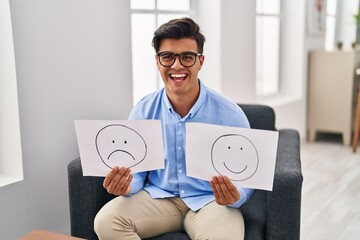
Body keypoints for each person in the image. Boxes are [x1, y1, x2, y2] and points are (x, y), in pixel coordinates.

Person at [94, 17, 254, 240]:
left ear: (200, 61)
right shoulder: (143, 111)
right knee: (105, 222)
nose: (177, 66)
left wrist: (235, 196)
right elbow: (138, 174)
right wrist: (127, 185)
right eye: (167, 57)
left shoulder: (231, 115)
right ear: (158, 62)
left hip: (211, 202)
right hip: (159, 199)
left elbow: (247, 179)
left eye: (187, 57)